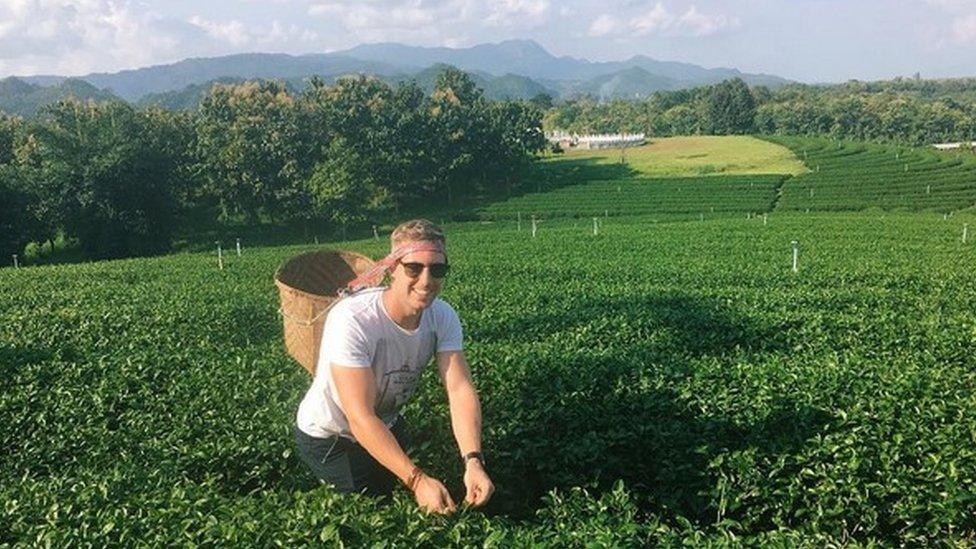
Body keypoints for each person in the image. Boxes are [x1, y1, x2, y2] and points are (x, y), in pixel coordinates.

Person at [294, 219, 493, 514]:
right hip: (333, 435)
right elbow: (359, 417)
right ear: (391, 269)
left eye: (437, 269)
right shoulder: (353, 319)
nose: (426, 280)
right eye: (414, 268)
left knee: (403, 497)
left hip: (386, 421)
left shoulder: (443, 316)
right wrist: (417, 480)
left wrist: (473, 460)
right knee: (372, 510)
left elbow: (459, 388)